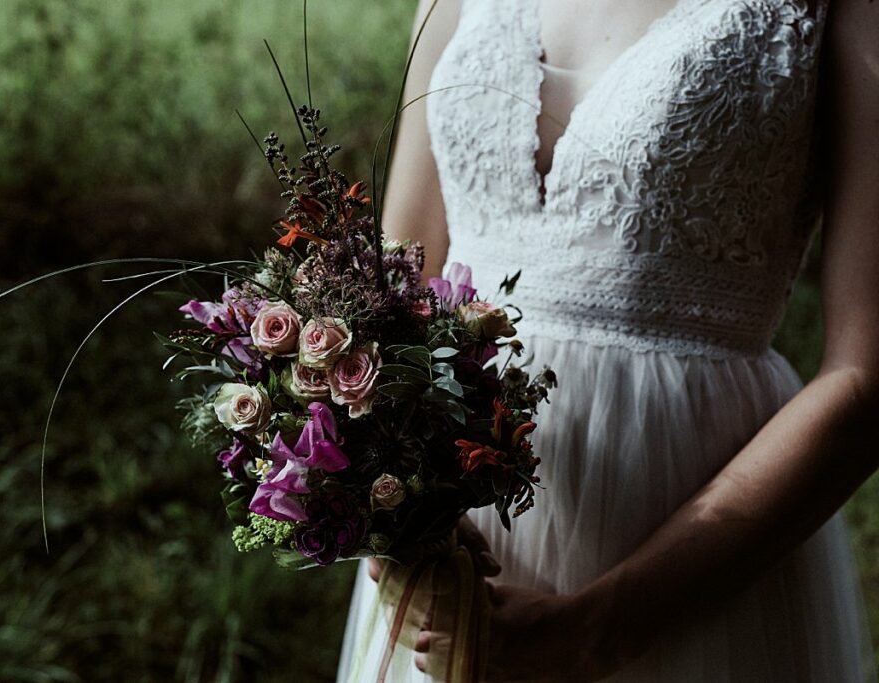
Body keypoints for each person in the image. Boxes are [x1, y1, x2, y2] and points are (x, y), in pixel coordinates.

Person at [338, 0, 879, 680]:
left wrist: (598, 628)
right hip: (452, 565)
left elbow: (866, 377)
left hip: (687, 554)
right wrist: (396, 521)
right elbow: (396, 279)